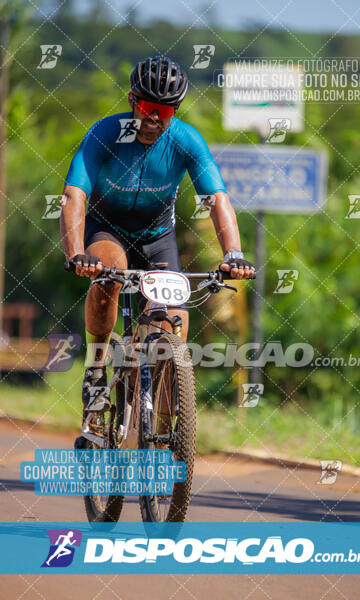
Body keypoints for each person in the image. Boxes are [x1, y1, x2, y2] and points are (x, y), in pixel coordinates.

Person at [60, 55, 255, 410]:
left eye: (164, 113)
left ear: (175, 111)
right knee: (107, 278)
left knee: (175, 322)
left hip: (157, 237)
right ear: (133, 100)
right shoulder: (105, 134)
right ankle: (96, 367)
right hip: (108, 229)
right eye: (148, 108)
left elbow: (217, 199)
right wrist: (75, 252)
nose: (153, 120)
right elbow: (74, 194)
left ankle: (163, 423)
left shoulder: (186, 141)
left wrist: (234, 255)